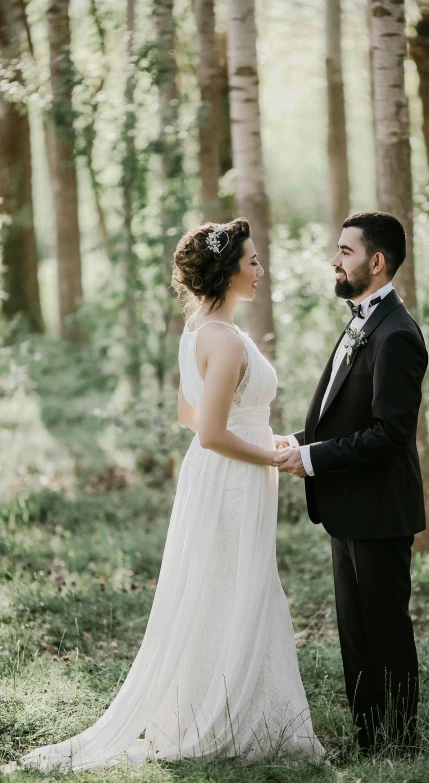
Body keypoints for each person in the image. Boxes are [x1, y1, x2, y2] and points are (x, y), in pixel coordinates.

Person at [4, 218, 325, 774]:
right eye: (251, 261)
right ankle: (235, 715)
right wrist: (272, 454)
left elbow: (190, 413)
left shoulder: (198, 328)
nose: (259, 269)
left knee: (221, 586)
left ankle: (222, 703)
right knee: (238, 585)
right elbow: (210, 431)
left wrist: (258, 435)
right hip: (230, 477)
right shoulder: (222, 339)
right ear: (227, 272)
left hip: (220, 472)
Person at [275, 211, 428, 755]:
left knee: (386, 633)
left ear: (376, 261)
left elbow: (389, 434)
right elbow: (342, 415)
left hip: (380, 512)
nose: (335, 260)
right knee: (356, 635)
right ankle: (369, 742)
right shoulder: (362, 321)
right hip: (348, 508)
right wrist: (297, 442)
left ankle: (401, 745)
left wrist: (313, 459)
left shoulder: (397, 335)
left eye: (345, 251)